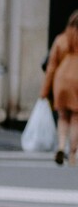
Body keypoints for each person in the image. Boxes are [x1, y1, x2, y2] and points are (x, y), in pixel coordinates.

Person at [41, 9, 78, 166]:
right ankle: (72, 154)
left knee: (63, 117)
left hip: (61, 80)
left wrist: (44, 91)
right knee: (76, 118)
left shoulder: (61, 39)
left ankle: (61, 145)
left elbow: (51, 67)